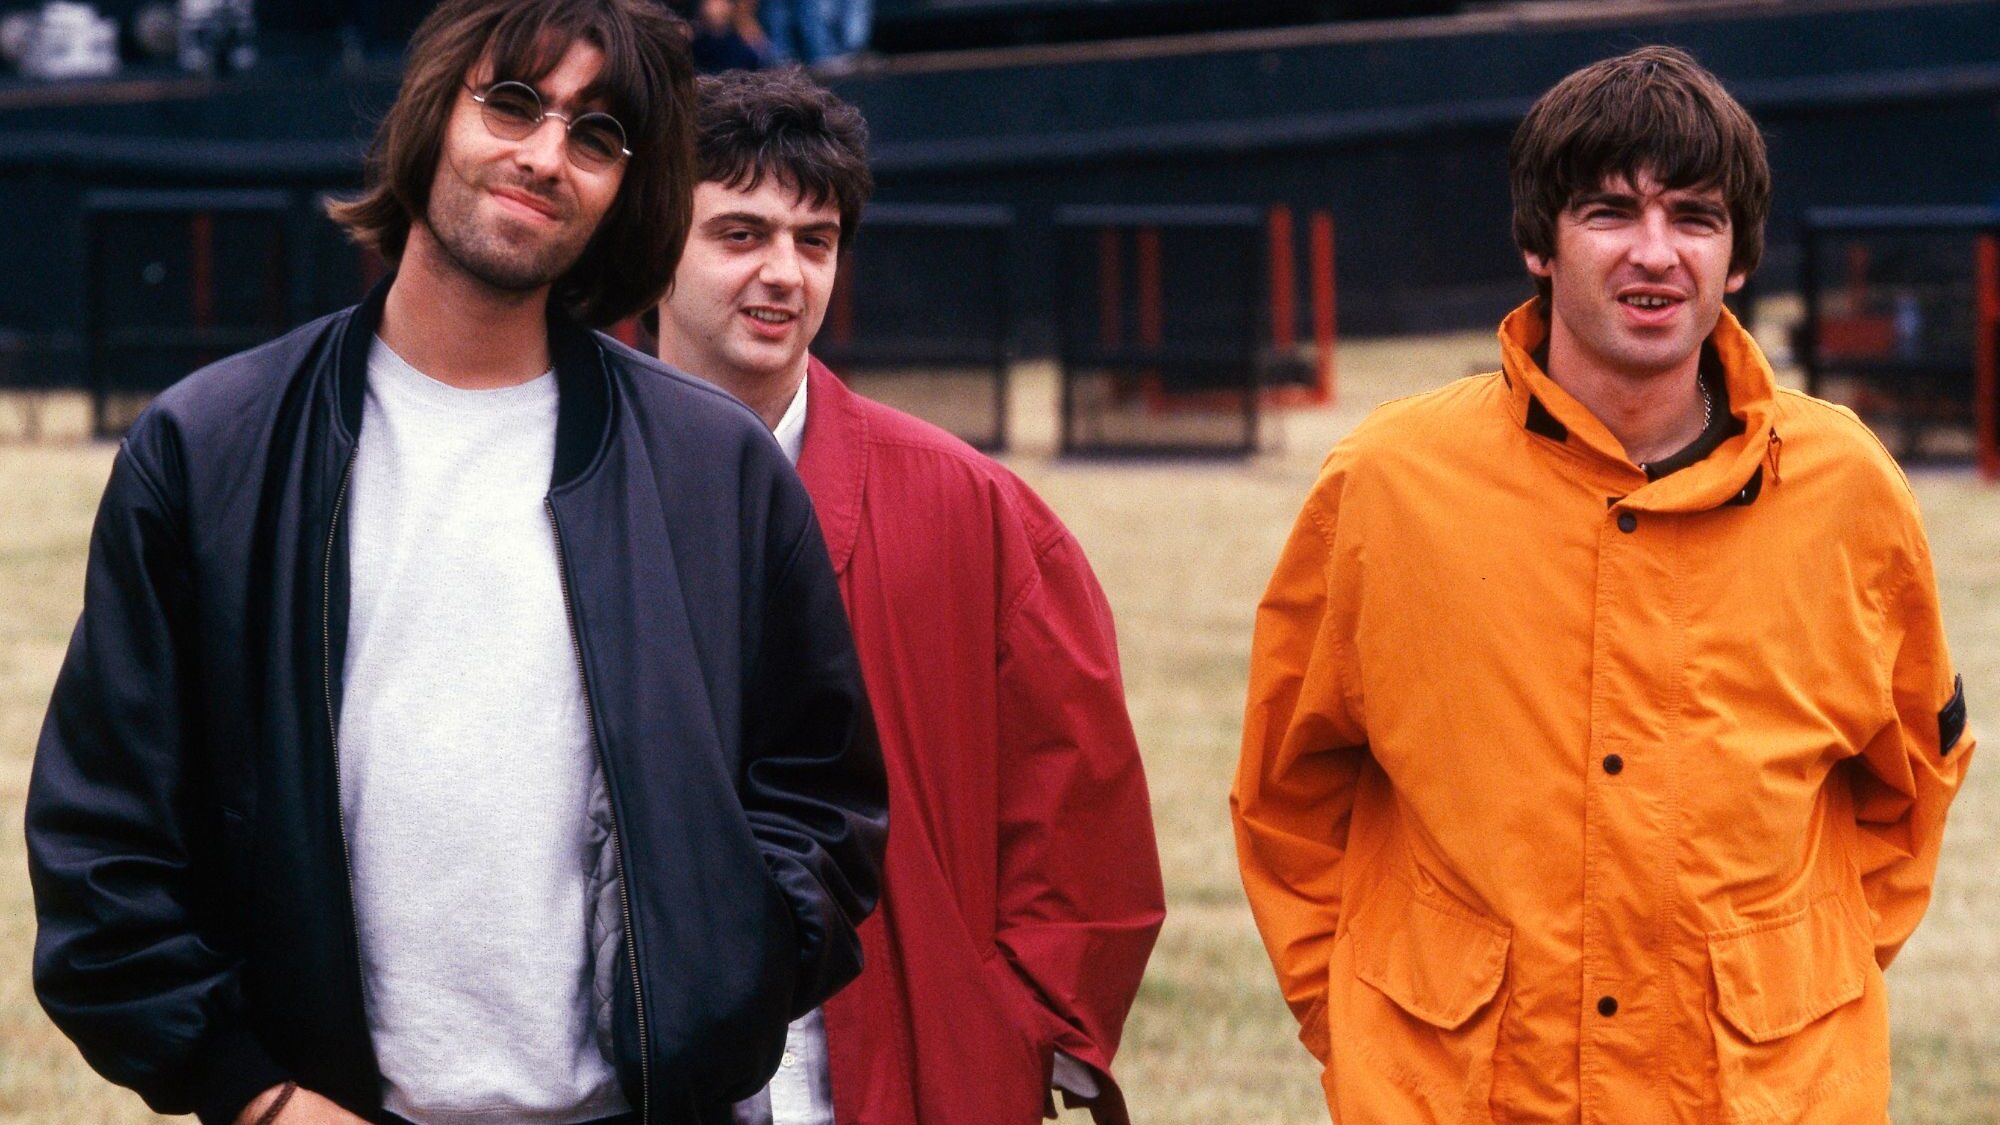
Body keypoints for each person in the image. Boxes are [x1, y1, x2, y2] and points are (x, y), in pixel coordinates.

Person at [26, 2, 886, 1124]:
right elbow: (104, 847)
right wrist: (255, 1094)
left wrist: (719, 991)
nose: (546, 156)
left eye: (597, 135)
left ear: (627, 190)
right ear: (435, 111)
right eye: (515, 103)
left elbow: (821, 801)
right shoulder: (210, 448)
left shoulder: (714, 467)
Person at [1233, 45, 1973, 1123]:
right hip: (1455, 1097)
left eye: (1695, 217)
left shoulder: (1847, 488)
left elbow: (1915, 774)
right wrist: (1351, 1020)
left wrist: (1797, 981)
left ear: (1738, 257)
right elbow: (1288, 792)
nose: (1655, 252)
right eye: (1610, 212)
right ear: (1539, 243)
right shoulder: (1386, 482)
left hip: (1762, 1097)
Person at [656, 68, 1164, 1125]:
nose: (784, 273)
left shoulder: (974, 509)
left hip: (903, 1073)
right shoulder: (549, 487)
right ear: (653, 240)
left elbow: (1082, 806)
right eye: (740, 234)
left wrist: (1015, 1027)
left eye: (815, 240)